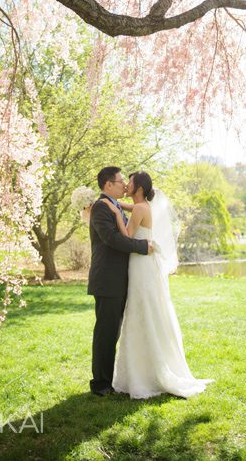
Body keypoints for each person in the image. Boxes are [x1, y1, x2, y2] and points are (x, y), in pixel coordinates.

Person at [101, 170, 215, 399]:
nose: (126, 185)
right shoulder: (142, 206)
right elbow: (127, 205)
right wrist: (115, 204)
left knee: (142, 308)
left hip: (141, 264)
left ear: (139, 188)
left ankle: (146, 372)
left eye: (130, 182)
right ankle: (146, 367)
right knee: (146, 308)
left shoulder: (142, 208)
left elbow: (127, 235)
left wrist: (114, 212)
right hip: (143, 263)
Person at [87, 166, 154, 397]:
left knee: (112, 331)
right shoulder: (100, 208)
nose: (124, 184)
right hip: (107, 279)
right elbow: (112, 239)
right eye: (119, 181)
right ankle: (100, 384)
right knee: (106, 333)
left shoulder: (113, 205)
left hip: (119, 278)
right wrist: (143, 247)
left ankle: (109, 380)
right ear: (108, 185)